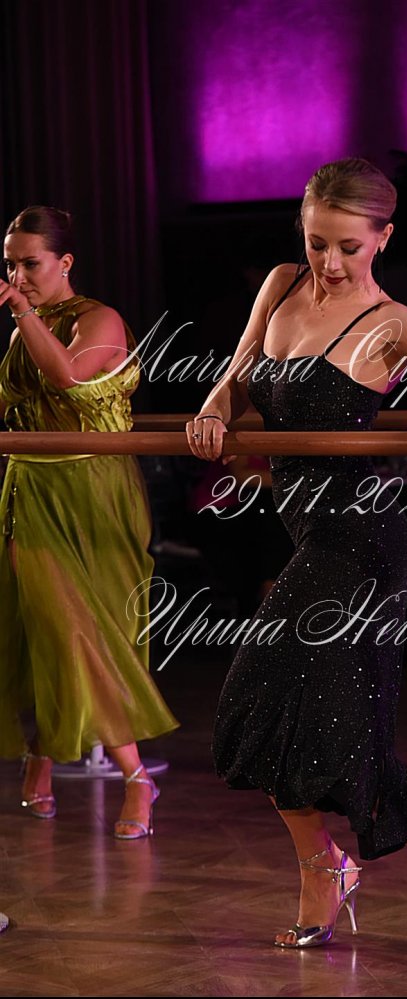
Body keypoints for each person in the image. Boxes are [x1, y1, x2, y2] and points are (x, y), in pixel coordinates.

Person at [186, 158, 407, 965]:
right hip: (311, 540)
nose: (330, 263)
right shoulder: (280, 285)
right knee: (282, 719)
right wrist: (213, 409)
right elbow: (237, 375)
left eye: (349, 247)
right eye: (317, 242)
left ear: (383, 238)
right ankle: (388, 862)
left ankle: (379, 866)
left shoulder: (392, 323)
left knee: (288, 709)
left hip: (366, 546)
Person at [0, 206, 179, 839]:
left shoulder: (98, 319)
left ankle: (111, 770)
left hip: (94, 492)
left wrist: (21, 313)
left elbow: (68, 375)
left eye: (30, 264)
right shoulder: (25, 325)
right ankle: (97, 766)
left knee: (91, 632)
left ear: (65, 262)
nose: (18, 277)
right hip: (30, 487)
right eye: (10, 265)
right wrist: (23, 316)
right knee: (44, 626)